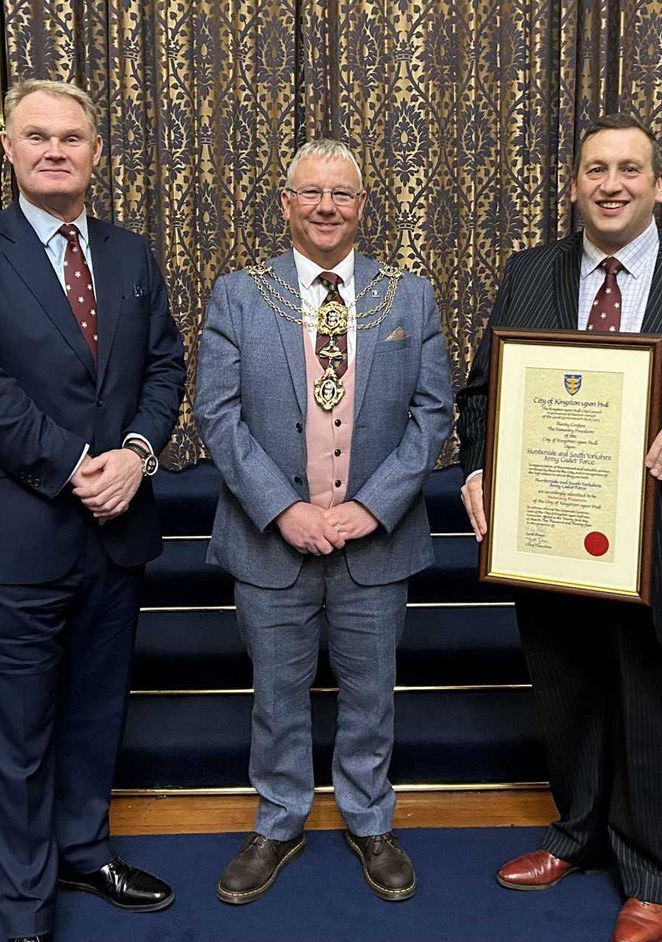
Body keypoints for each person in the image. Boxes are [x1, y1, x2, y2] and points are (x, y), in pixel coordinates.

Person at [456, 113, 662, 942]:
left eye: (630, 170)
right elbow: (480, 395)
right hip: (551, 536)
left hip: (661, 537)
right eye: (596, 169)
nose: (612, 184)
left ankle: (651, 872)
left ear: (659, 185)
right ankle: (576, 835)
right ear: (573, 185)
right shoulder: (528, 272)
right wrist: (477, 466)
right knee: (565, 694)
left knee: (648, 707)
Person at [0, 78, 186, 942]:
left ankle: (86, 850)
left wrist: (139, 456)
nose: (53, 150)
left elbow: (163, 370)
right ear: (9, 148)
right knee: (17, 735)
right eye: (36, 136)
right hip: (16, 533)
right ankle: (27, 904)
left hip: (116, 536)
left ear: (96, 152)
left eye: (71, 137)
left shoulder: (131, 253)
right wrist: (80, 463)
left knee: (93, 714)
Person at [194, 139, 452, 905]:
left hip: (378, 545)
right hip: (270, 543)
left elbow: (432, 414)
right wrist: (286, 510)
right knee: (277, 693)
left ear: (363, 206)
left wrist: (371, 509)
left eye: (342, 194)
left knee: (372, 692)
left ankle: (371, 820)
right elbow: (217, 413)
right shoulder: (240, 294)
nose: (327, 207)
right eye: (311, 193)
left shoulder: (409, 296)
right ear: (286, 203)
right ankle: (279, 821)